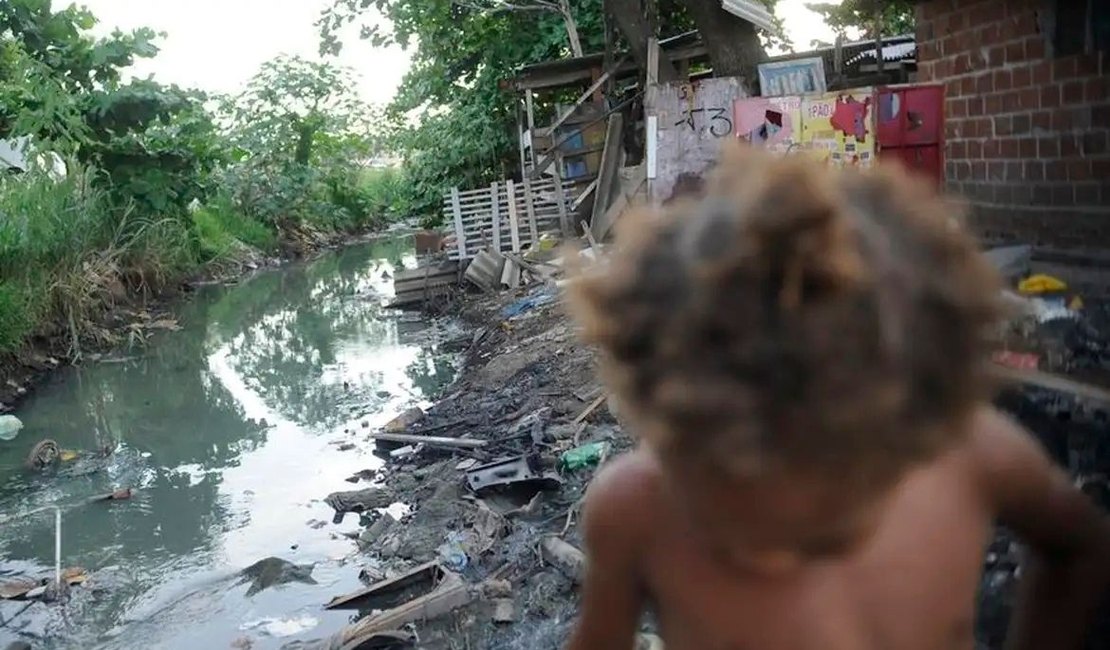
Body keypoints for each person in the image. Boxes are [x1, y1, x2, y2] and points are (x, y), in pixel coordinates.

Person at [565, 143, 1110, 650]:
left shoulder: (970, 454)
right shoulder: (634, 510)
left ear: (909, 438)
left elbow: (1078, 549)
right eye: (738, 524)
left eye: (829, 534)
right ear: (663, 432)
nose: (776, 561)